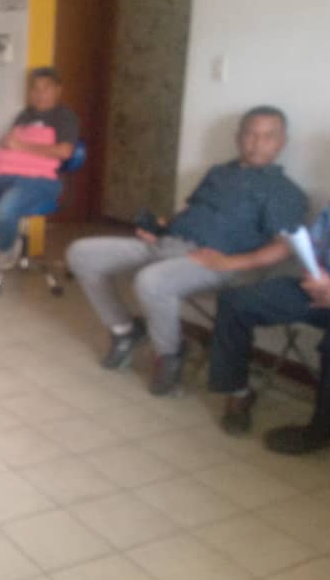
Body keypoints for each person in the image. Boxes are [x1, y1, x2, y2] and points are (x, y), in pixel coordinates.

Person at [66, 105, 308, 395]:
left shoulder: (284, 191)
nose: (257, 142)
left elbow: (283, 248)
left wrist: (228, 263)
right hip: (170, 245)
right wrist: (161, 228)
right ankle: (125, 331)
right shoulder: (218, 173)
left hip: (220, 263)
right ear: (238, 138)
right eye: (251, 134)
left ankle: (169, 355)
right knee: (82, 253)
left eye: (268, 136)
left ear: (282, 142)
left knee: (152, 281)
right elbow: (192, 212)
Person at [209, 125, 330, 454]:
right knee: (236, 301)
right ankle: (238, 394)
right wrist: (316, 276)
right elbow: (311, 248)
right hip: (323, 289)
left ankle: (324, 432)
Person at [0, 67, 80, 274]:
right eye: (35, 89)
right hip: (3, 175)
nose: (40, 94)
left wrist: (21, 146)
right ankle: (1, 235)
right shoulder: (24, 115)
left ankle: (6, 249)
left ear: (58, 90)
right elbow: (11, 142)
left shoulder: (64, 117)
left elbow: (64, 152)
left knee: (5, 209)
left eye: (46, 88)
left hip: (40, 180)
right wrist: (6, 142)